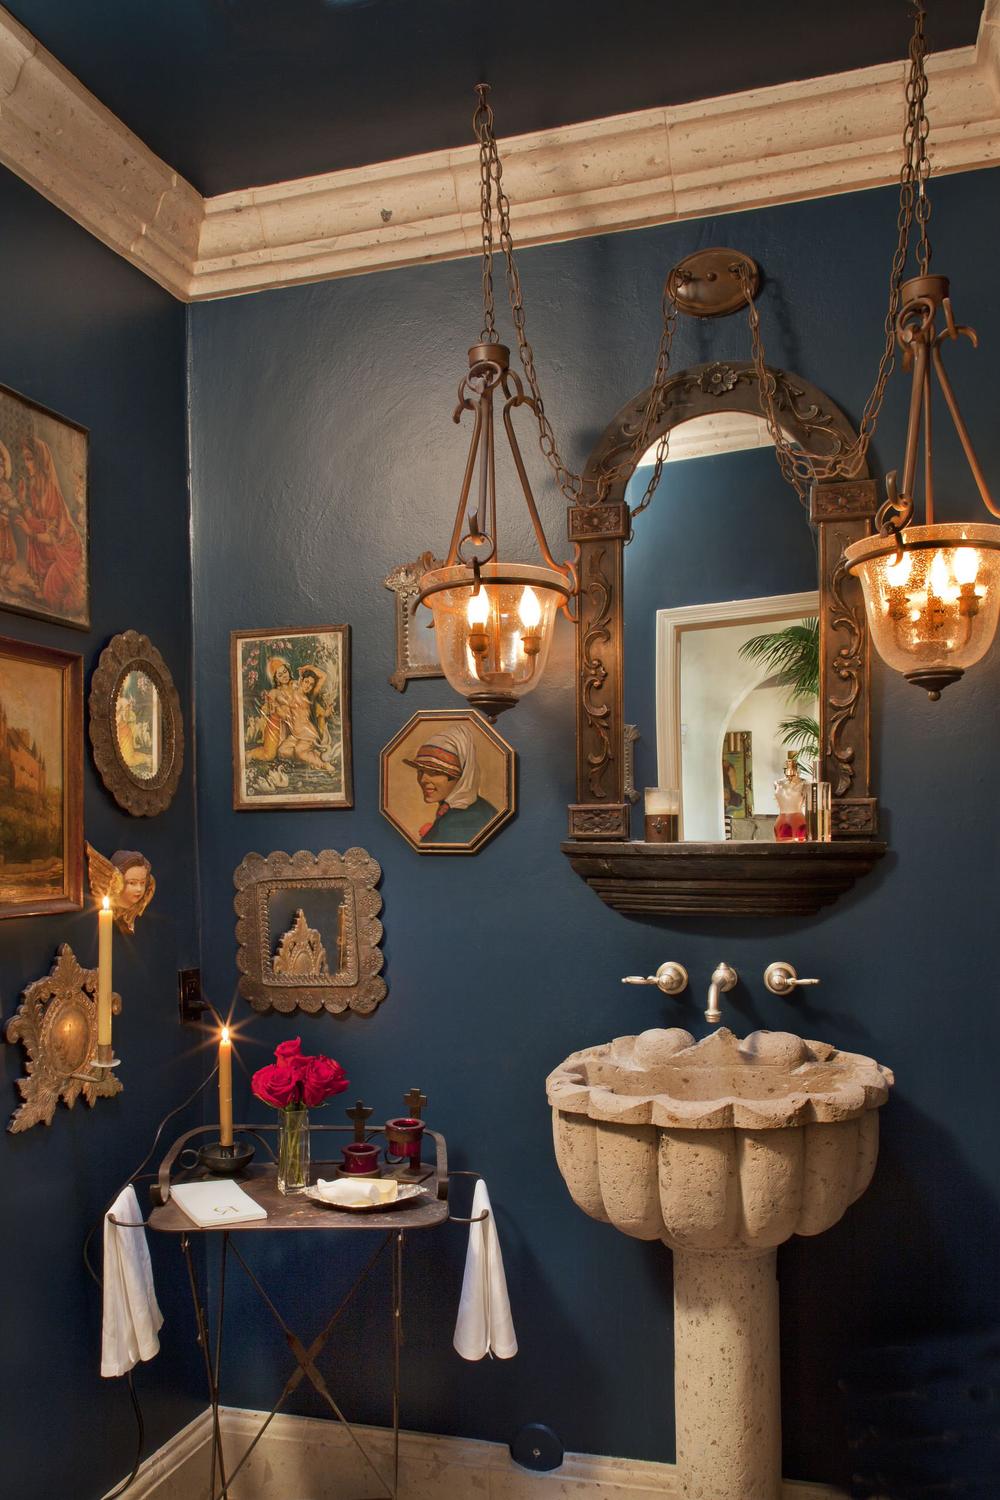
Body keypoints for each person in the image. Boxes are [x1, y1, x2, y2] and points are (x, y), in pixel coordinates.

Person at [13, 436, 84, 616]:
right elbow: (37, 522)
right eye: (25, 459)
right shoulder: (36, 487)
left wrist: (30, 532)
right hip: (50, 547)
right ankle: (40, 581)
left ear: (39, 460)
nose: (27, 464)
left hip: (65, 549)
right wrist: (23, 502)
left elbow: (52, 536)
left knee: (51, 592)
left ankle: (47, 582)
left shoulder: (50, 490)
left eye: (29, 459)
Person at [404, 724, 498, 844]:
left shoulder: (460, 822)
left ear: (462, 775)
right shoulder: (465, 808)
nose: (423, 779)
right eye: (420, 771)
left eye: (435, 772)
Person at [247, 657, 326, 770]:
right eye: (280, 675)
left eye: (285, 671)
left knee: (289, 751)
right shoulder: (274, 693)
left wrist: (308, 668)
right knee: (270, 755)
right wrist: (277, 707)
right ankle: (249, 754)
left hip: (295, 728)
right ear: (276, 679)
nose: (284, 675)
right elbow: (269, 710)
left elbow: (310, 690)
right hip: (276, 725)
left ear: (288, 671)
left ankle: (310, 757)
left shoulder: (296, 684)